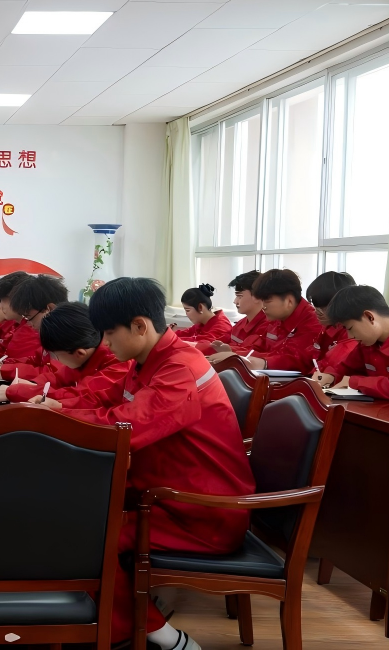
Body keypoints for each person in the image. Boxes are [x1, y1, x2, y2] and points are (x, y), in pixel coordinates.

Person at [53, 278, 254, 650]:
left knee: (85, 536)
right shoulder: (151, 359)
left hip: (200, 512)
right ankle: (99, 620)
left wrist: (54, 419)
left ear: (139, 326)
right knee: (69, 515)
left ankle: (160, 637)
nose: (104, 343)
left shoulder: (178, 369)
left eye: (108, 333)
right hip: (165, 494)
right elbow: (107, 399)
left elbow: (125, 426)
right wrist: (55, 408)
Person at [1, 301, 129, 405]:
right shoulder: (85, 352)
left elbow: (80, 396)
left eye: (55, 356)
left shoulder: (117, 363)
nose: (55, 360)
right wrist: (33, 384)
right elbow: (59, 377)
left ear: (79, 353)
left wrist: (20, 391)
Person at [211, 269, 321, 373]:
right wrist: (233, 352)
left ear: (289, 301)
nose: (263, 306)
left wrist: (257, 362)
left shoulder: (313, 322)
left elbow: (298, 360)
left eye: (267, 301)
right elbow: (259, 346)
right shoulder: (276, 319)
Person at [0, 274, 68, 382]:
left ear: (49, 309)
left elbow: (56, 374)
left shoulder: (68, 339)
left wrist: (7, 371)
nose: (28, 323)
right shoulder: (53, 334)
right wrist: (5, 364)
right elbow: (37, 360)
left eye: (29, 317)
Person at [198, 270, 267, 356]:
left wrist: (230, 351)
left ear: (257, 296)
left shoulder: (268, 327)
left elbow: (252, 354)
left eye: (239, 296)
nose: (235, 301)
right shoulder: (241, 324)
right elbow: (218, 343)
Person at [306, 271, 357, 369]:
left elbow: (333, 366)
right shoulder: (327, 326)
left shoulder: (352, 332)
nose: (318, 311)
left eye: (325, 306)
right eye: (316, 305)